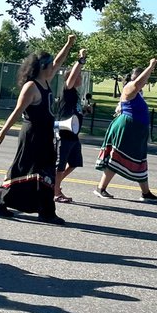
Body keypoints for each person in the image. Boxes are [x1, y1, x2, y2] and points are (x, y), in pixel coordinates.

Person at [0, 35, 76, 224]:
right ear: (43, 67)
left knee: (46, 171)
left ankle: (45, 210)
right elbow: (17, 111)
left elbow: (59, 61)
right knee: (21, 168)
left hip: (45, 134)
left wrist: (68, 45)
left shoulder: (46, 80)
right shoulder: (31, 86)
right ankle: (1, 201)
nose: (54, 67)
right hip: (32, 135)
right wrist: (3, 131)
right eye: (50, 65)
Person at [94, 59, 157, 202]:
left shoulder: (139, 92)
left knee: (140, 160)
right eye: (142, 77)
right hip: (127, 129)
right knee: (117, 158)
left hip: (136, 131)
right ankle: (101, 188)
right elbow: (137, 83)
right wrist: (150, 66)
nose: (144, 81)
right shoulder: (129, 87)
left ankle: (146, 193)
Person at [54, 48, 88, 204]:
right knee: (60, 165)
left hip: (74, 135)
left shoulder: (75, 94)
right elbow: (73, 75)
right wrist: (80, 60)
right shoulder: (67, 90)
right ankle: (55, 192)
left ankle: (54, 185)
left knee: (74, 163)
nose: (79, 77)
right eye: (78, 75)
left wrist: (84, 111)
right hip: (64, 134)